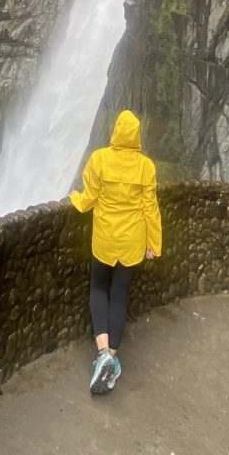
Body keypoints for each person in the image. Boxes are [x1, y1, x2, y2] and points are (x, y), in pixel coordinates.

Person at [69, 109, 162, 395]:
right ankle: (112, 357)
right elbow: (150, 208)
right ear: (136, 136)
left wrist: (76, 200)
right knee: (119, 296)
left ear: (115, 132)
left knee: (98, 288)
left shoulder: (99, 159)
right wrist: (154, 243)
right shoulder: (146, 167)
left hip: (105, 239)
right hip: (132, 242)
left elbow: (90, 197)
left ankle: (102, 354)